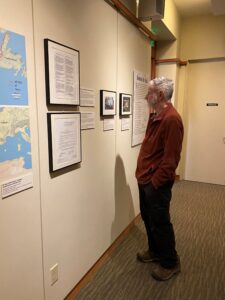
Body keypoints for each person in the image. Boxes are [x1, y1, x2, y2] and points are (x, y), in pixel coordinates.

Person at [135, 77, 184, 281]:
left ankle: (170, 263)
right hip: (145, 180)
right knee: (149, 220)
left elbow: (170, 160)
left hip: (156, 184)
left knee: (161, 223)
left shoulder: (172, 119)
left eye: (150, 93)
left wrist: (154, 184)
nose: (146, 96)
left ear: (160, 95)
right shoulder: (155, 115)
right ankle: (155, 251)